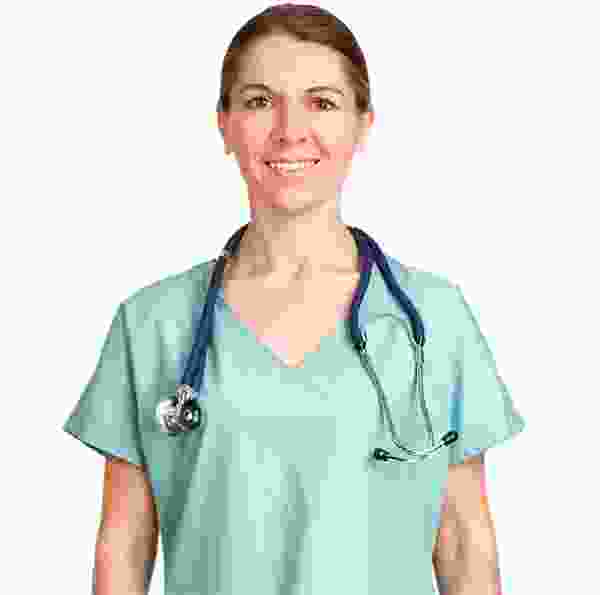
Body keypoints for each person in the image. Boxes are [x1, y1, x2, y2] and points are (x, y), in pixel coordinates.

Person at [62, 4, 526, 595]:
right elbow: (124, 543)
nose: (290, 130)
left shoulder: (436, 319)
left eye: (322, 102)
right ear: (224, 125)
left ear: (363, 125)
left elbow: (463, 540)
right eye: (260, 101)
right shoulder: (153, 324)